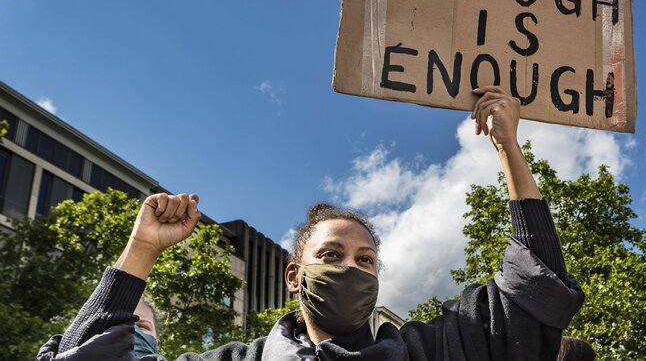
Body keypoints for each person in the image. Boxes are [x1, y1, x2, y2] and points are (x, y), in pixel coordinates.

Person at [37, 86, 585, 360]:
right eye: (331, 256)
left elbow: (531, 289)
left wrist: (509, 146)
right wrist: (141, 250)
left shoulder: (423, 351)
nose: (351, 267)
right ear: (294, 276)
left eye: (365, 260)